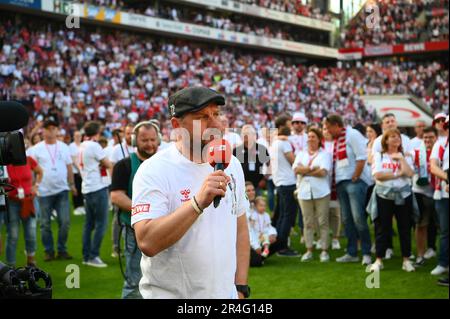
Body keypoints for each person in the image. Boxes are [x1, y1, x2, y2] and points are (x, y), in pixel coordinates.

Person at [132, 87, 250, 299]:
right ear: (177, 125)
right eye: (202, 117)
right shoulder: (154, 169)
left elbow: (240, 228)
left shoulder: (231, 164)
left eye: (216, 114)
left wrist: (240, 287)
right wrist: (197, 203)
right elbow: (147, 242)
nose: (215, 125)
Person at [111, 121, 161, 298]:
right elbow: (116, 196)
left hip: (163, 229)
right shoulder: (123, 165)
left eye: (153, 140)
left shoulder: (165, 164)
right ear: (134, 141)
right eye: (144, 140)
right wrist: (145, 211)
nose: (150, 144)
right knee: (134, 281)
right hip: (134, 230)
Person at [323, 114, 372, 266]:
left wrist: (356, 176)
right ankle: (352, 252)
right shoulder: (337, 140)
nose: (327, 130)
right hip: (341, 181)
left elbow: (362, 157)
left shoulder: (353, 135)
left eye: (329, 127)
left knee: (358, 218)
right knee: (347, 219)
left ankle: (366, 252)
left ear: (336, 125)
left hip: (354, 182)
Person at [368, 129, 417, 272]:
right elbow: (378, 175)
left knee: (404, 227)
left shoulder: (404, 156)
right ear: (386, 140)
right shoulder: (379, 155)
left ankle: (406, 260)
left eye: (398, 137)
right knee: (383, 227)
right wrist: (397, 174)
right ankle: (379, 260)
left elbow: (410, 173)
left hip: (403, 195)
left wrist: (401, 159)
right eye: (393, 137)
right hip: (384, 195)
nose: (396, 139)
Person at [28, 118, 76, 261]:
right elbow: (31, 170)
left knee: (65, 222)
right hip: (44, 191)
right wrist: (32, 186)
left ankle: (61, 249)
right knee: (44, 224)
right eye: (48, 128)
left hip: (62, 190)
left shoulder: (63, 147)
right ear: (43, 131)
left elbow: (69, 166)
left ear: (57, 130)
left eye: (54, 128)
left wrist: (72, 184)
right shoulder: (36, 149)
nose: (51, 131)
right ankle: (49, 251)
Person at [293, 128, 332, 262]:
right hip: (304, 192)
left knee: (322, 221)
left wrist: (304, 171)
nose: (310, 139)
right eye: (308, 136)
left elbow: (323, 172)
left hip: (321, 191)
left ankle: (324, 250)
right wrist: (311, 169)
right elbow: (296, 170)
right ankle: (309, 249)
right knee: (307, 222)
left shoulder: (325, 154)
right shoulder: (301, 153)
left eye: (313, 137)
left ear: (319, 139)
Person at [79, 121, 113, 267]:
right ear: (97, 132)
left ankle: (86, 256)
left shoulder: (83, 144)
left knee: (89, 224)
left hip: (87, 186)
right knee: (101, 224)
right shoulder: (94, 145)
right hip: (97, 187)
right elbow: (108, 163)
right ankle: (93, 255)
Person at [3, 156, 43, 267]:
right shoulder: (4, 164)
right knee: (13, 234)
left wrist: (36, 186)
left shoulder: (28, 159)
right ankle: (10, 265)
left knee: (31, 231)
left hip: (29, 200)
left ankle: (31, 260)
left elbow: (40, 172)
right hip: (12, 202)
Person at [269, 114, 300, 257]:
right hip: (288, 182)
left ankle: (277, 244)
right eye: (289, 124)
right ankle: (282, 246)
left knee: (282, 215)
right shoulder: (283, 143)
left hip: (280, 182)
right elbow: (293, 161)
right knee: (288, 216)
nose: (292, 127)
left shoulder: (275, 142)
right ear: (282, 126)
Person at [413, 127, 438, 266]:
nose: (428, 140)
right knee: (421, 224)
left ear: (436, 138)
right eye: (425, 138)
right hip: (420, 191)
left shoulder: (442, 151)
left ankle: (441, 257)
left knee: (442, 226)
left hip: (439, 192)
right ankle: (420, 255)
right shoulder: (416, 152)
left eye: (431, 137)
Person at [430, 115, 449, 278]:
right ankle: (443, 263)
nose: (444, 125)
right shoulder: (439, 144)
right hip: (443, 193)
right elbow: (433, 167)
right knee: (444, 231)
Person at [233, 125, 270, 194]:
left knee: (258, 203)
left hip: (258, 183)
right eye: (244, 134)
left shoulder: (261, 149)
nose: (245, 136)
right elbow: (232, 167)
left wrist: (264, 179)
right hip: (241, 184)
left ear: (253, 135)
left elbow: (269, 165)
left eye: (248, 134)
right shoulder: (236, 150)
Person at [322, 124, 341, 250]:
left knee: (335, 213)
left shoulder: (339, 143)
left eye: (328, 128)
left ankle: (335, 237)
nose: (327, 131)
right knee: (321, 214)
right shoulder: (319, 145)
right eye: (324, 129)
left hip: (335, 181)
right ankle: (321, 238)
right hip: (322, 182)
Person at [70, 130, 85, 216]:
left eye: (79, 136)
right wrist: (79, 169)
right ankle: (76, 206)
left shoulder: (83, 145)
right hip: (75, 171)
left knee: (82, 188)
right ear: (74, 137)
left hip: (82, 170)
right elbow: (73, 159)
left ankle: (82, 205)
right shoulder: (71, 146)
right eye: (76, 136)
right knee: (76, 188)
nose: (78, 138)